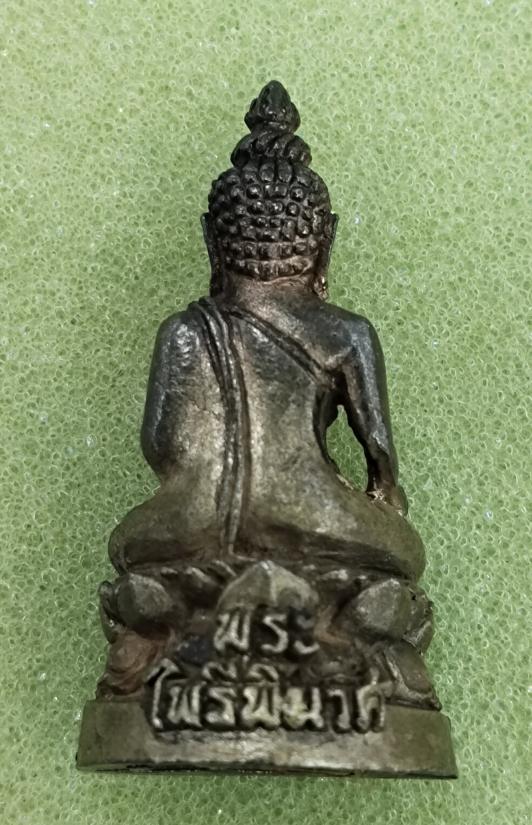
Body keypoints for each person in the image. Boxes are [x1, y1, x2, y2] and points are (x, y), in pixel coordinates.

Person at [109, 81, 424, 583]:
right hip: (314, 513)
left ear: (213, 243)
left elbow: (161, 446)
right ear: (325, 242)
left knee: (129, 542)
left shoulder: (183, 330)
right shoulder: (347, 332)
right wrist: (386, 498)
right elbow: (379, 451)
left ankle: (179, 592)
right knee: (404, 548)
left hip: (194, 520)